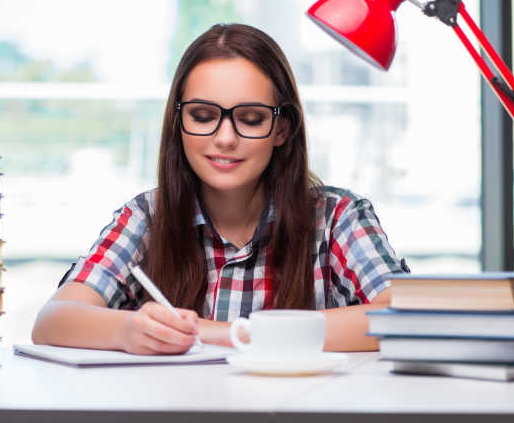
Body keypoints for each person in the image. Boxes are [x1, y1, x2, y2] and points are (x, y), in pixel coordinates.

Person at [32, 23, 408, 354]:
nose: (225, 138)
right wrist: (129, 330)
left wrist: (229, 334)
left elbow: (406, 315)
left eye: (250, 119)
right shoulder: (147, 217)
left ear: (282, 129)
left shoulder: (337, 217)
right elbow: (52, 320)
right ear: (178, 122)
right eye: (203, 116)